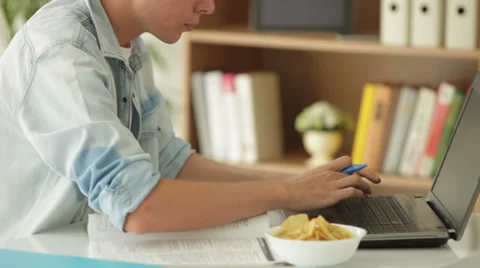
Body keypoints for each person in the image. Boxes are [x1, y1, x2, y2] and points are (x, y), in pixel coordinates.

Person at [0, 0, 381, 244]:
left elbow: (171, 163)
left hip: (91, 247)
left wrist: (298, 186)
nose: (210, 6)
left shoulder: (126, 42)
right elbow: (139, 207)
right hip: (38, 255)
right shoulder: (61, 52)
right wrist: (287, 195)